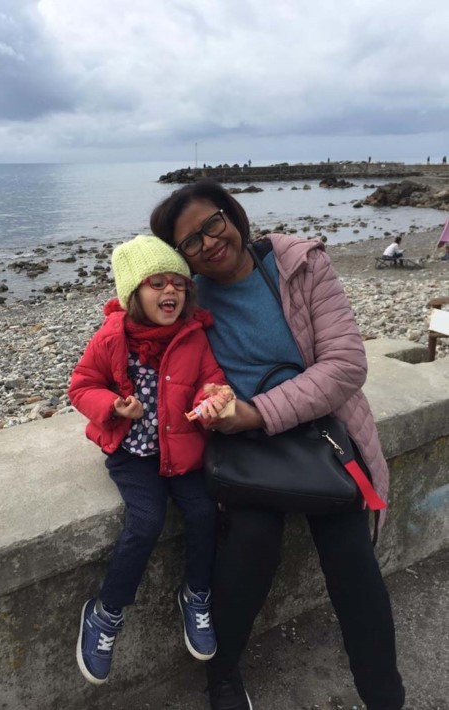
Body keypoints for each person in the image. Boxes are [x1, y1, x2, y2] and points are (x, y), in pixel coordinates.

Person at [150, 180, 405, 710]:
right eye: (190, 241)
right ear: (180, 255)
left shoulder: (299, 264)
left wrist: (258, 411)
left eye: (212, 224)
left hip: (320, 433)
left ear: (232, 214)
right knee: (250, 540)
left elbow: (346, 365)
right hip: (246, 448)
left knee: (352, 556)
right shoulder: (187, 298)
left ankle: (384, 696)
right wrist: (208, 404)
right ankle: (222, 675)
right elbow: (148, 353)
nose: (208, 243)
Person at [69, 235, 233, 686]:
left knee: (204, 512)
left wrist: (212, 398)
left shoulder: (193, 336)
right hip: (133, 454)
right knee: (145, 522)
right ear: (133, 294)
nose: (170, 291)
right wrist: (112, 406)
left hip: (181, 450)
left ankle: (196, 594)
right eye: (156, 283)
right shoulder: (111, 338)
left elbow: (210, 380)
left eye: (178, 283)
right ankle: (105, 613)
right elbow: (81, 386)